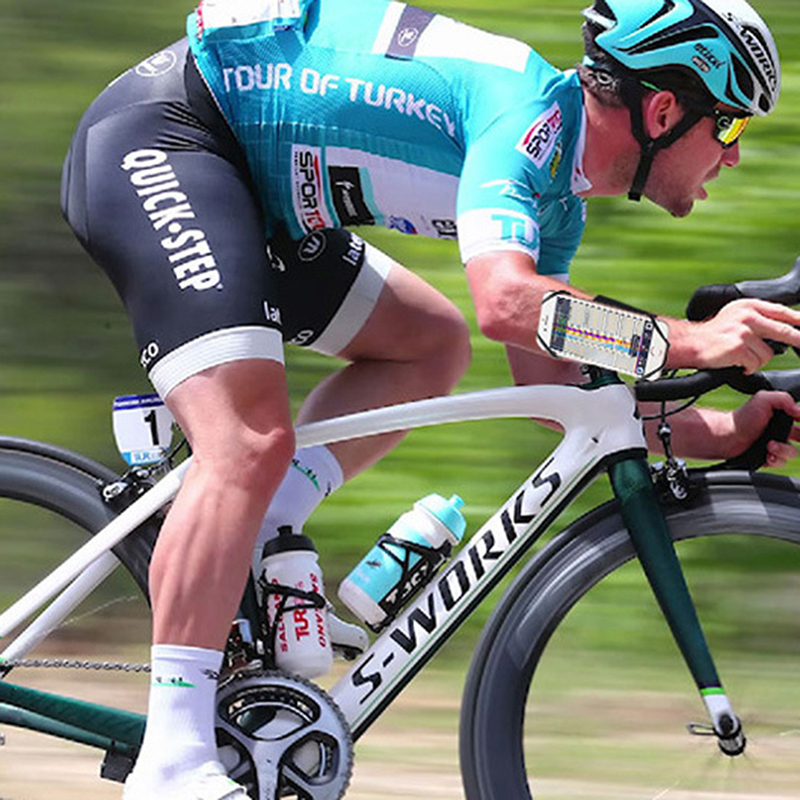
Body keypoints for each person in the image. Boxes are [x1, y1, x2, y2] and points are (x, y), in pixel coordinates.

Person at [59, 0, 800, 797]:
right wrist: (692, 341)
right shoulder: (525, 119)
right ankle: (171, 763)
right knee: (245, 443)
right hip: (173, 141)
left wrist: (720, 433)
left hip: (261, 197)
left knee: (430, 346)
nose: (732, 155)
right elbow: (507, 304)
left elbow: (550, 382)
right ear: (663, 111)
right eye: (729, 126)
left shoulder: (559, 197)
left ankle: (259, 528)